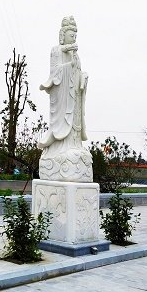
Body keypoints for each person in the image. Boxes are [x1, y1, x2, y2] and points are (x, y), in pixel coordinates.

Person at [38, 16, 92, 182]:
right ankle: (60, 148)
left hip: (74, 96)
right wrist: (70, 66)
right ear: (62, 35)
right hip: (63, 97)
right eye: (71, 34)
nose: (74, 37)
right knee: (64, 119)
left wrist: (83, 76)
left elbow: (78, 73)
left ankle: (74, 145)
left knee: (75, 120)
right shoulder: (56, 51)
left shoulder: (76, 55)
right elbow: (54, 73)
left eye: (75, 35)